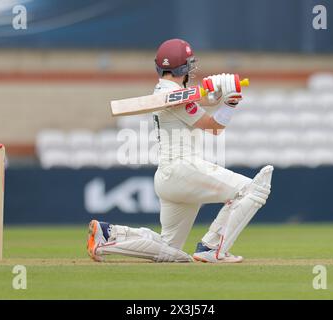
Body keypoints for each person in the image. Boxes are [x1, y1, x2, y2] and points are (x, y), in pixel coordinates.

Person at [87, 39, 273, 263]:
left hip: (170, 175)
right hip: (183, 168)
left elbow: (194, 107)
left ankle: (109, 235)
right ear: (184, 67)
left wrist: (219, 98)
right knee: (251, 190)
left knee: (169, 249)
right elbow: (214, 128)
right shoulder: (175, 95)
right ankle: (211, 248)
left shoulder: (167, 93)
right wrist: (228, 104)